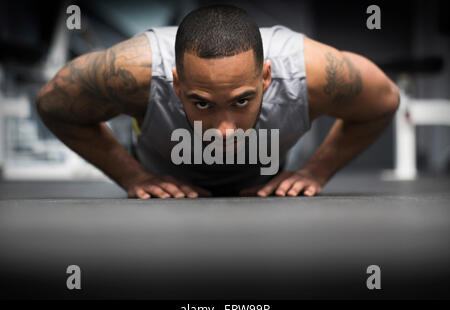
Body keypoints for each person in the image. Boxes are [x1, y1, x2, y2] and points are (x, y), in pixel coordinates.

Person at [36, 5, 399, 198]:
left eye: (241, 101)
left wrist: (316, 171)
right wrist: (132, 177)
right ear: (176, 84)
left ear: (267, 78)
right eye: (203, 103)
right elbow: (52, 104)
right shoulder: (134, 72)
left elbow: (384, 100)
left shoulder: (312, 73)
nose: (225, 132)